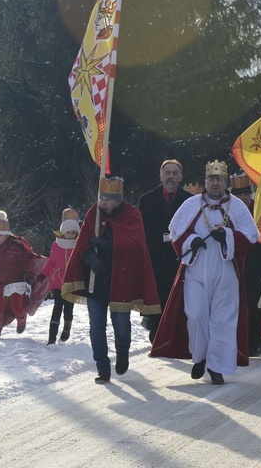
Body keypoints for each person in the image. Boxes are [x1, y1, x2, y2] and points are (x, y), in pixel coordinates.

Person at [150, 161, 259, 385]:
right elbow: (175, 232)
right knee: (196, 314)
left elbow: (250, 237)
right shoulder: (191, 204)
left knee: (222, 320)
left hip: (225, 272)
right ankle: (199, 356)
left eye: (219, 179)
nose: (215, 183)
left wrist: (228, 236)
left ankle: (216, 366)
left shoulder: (237, 206)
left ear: (225, 182)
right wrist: (192, 240)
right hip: (196, 270)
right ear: (205, 181)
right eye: (211, 179)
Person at [62, 177, 161, 384]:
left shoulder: (133, 216)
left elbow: (135, 245)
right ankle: (103, 367)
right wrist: (90, 256)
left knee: (121, 325)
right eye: (101, 198)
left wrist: (108, 244)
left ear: (118, 199)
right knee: (96, 326)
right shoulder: (93, 213)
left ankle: (123, 353)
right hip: (95, 281)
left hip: (121, 280)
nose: (103, 203)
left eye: (107, 199)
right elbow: (82, 242)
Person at [138, 159, 193, 342]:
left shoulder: (189, 201)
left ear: (181, 177)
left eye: (174, 173)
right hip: (155, 260)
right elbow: (141, 232)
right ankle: (157, 338)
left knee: (179, 300)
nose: (171, 177)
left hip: (180, 260)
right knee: (157, 300)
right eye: (167, 173)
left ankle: (177, 338)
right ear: (160, 176)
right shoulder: (146, 200)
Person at [0, 210, 48, 340]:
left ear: (6, 233)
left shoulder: (17, 245)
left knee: (16, 306)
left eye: (0, 235)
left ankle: (21, 318)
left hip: (17, 283)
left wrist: (29, 275)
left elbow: (28, 260)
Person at [230, 172, 261, 357]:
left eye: (246, 194)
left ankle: (252, 344)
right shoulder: (227, 211)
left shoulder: (259, 210)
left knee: (253, 306)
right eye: (239, 195)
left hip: (256, 266)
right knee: (233, 305)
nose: (243, 198)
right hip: (234, 265)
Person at [38, 208, 80, 345]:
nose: (71, 235)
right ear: (63, 232)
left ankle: (67, 326)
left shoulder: (78, 245)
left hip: (71, 282)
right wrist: (43, 274)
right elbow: (51, 262)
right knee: (57, 308)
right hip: (57, 282)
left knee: (68, 308)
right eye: (68, 232)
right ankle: (51, 339)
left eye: (74, 232)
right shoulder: (56, 245)